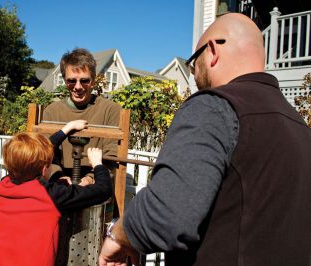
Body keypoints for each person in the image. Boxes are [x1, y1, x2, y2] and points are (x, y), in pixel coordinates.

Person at [99, 13, 311, 266]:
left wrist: (118, 235)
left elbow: (166, 214)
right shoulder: (299, 125)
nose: (194, 72)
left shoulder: (213, 107)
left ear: (211, 51)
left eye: (193, 62)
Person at [0, 120, 113, 266]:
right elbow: (103, 190)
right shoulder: (51, 195)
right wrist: (98, 165)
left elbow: (38, 154)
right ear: (44, 170)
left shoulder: (4, 184)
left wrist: (67, 128)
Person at [41, 48, 122, 187]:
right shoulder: (51, 112)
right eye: (71, 81)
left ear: (93, 80)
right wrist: (59, 177)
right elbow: (45, 154)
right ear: (65, 81)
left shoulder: (111, 110)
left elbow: (112, 155)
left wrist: (90, 179)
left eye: (84, 80)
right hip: (61, 187)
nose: (78, 87)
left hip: (96, 187)